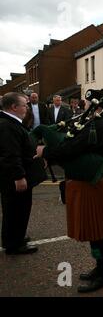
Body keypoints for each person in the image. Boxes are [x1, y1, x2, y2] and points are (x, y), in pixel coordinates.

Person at [35, 100, 103, 293]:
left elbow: (71, 148)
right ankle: (100, 267)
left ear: (98, 106)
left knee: (98, 232)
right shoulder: (97, 122)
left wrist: (46, 151)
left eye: (91, 103)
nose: (87, 106)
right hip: (91, 183)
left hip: (94, 186)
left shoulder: (97, 125)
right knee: (94, 232)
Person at [0, 92, 38, 255]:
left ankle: (16, 237)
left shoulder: (10, 123)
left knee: (18, 208)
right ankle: (14, 244)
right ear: (14, 107)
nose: (27, 108)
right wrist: (19, 177)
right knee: (16, 209)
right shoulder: (7, 126)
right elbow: (10, 154)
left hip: (16, 174)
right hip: (14, 178)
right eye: (24, 105)